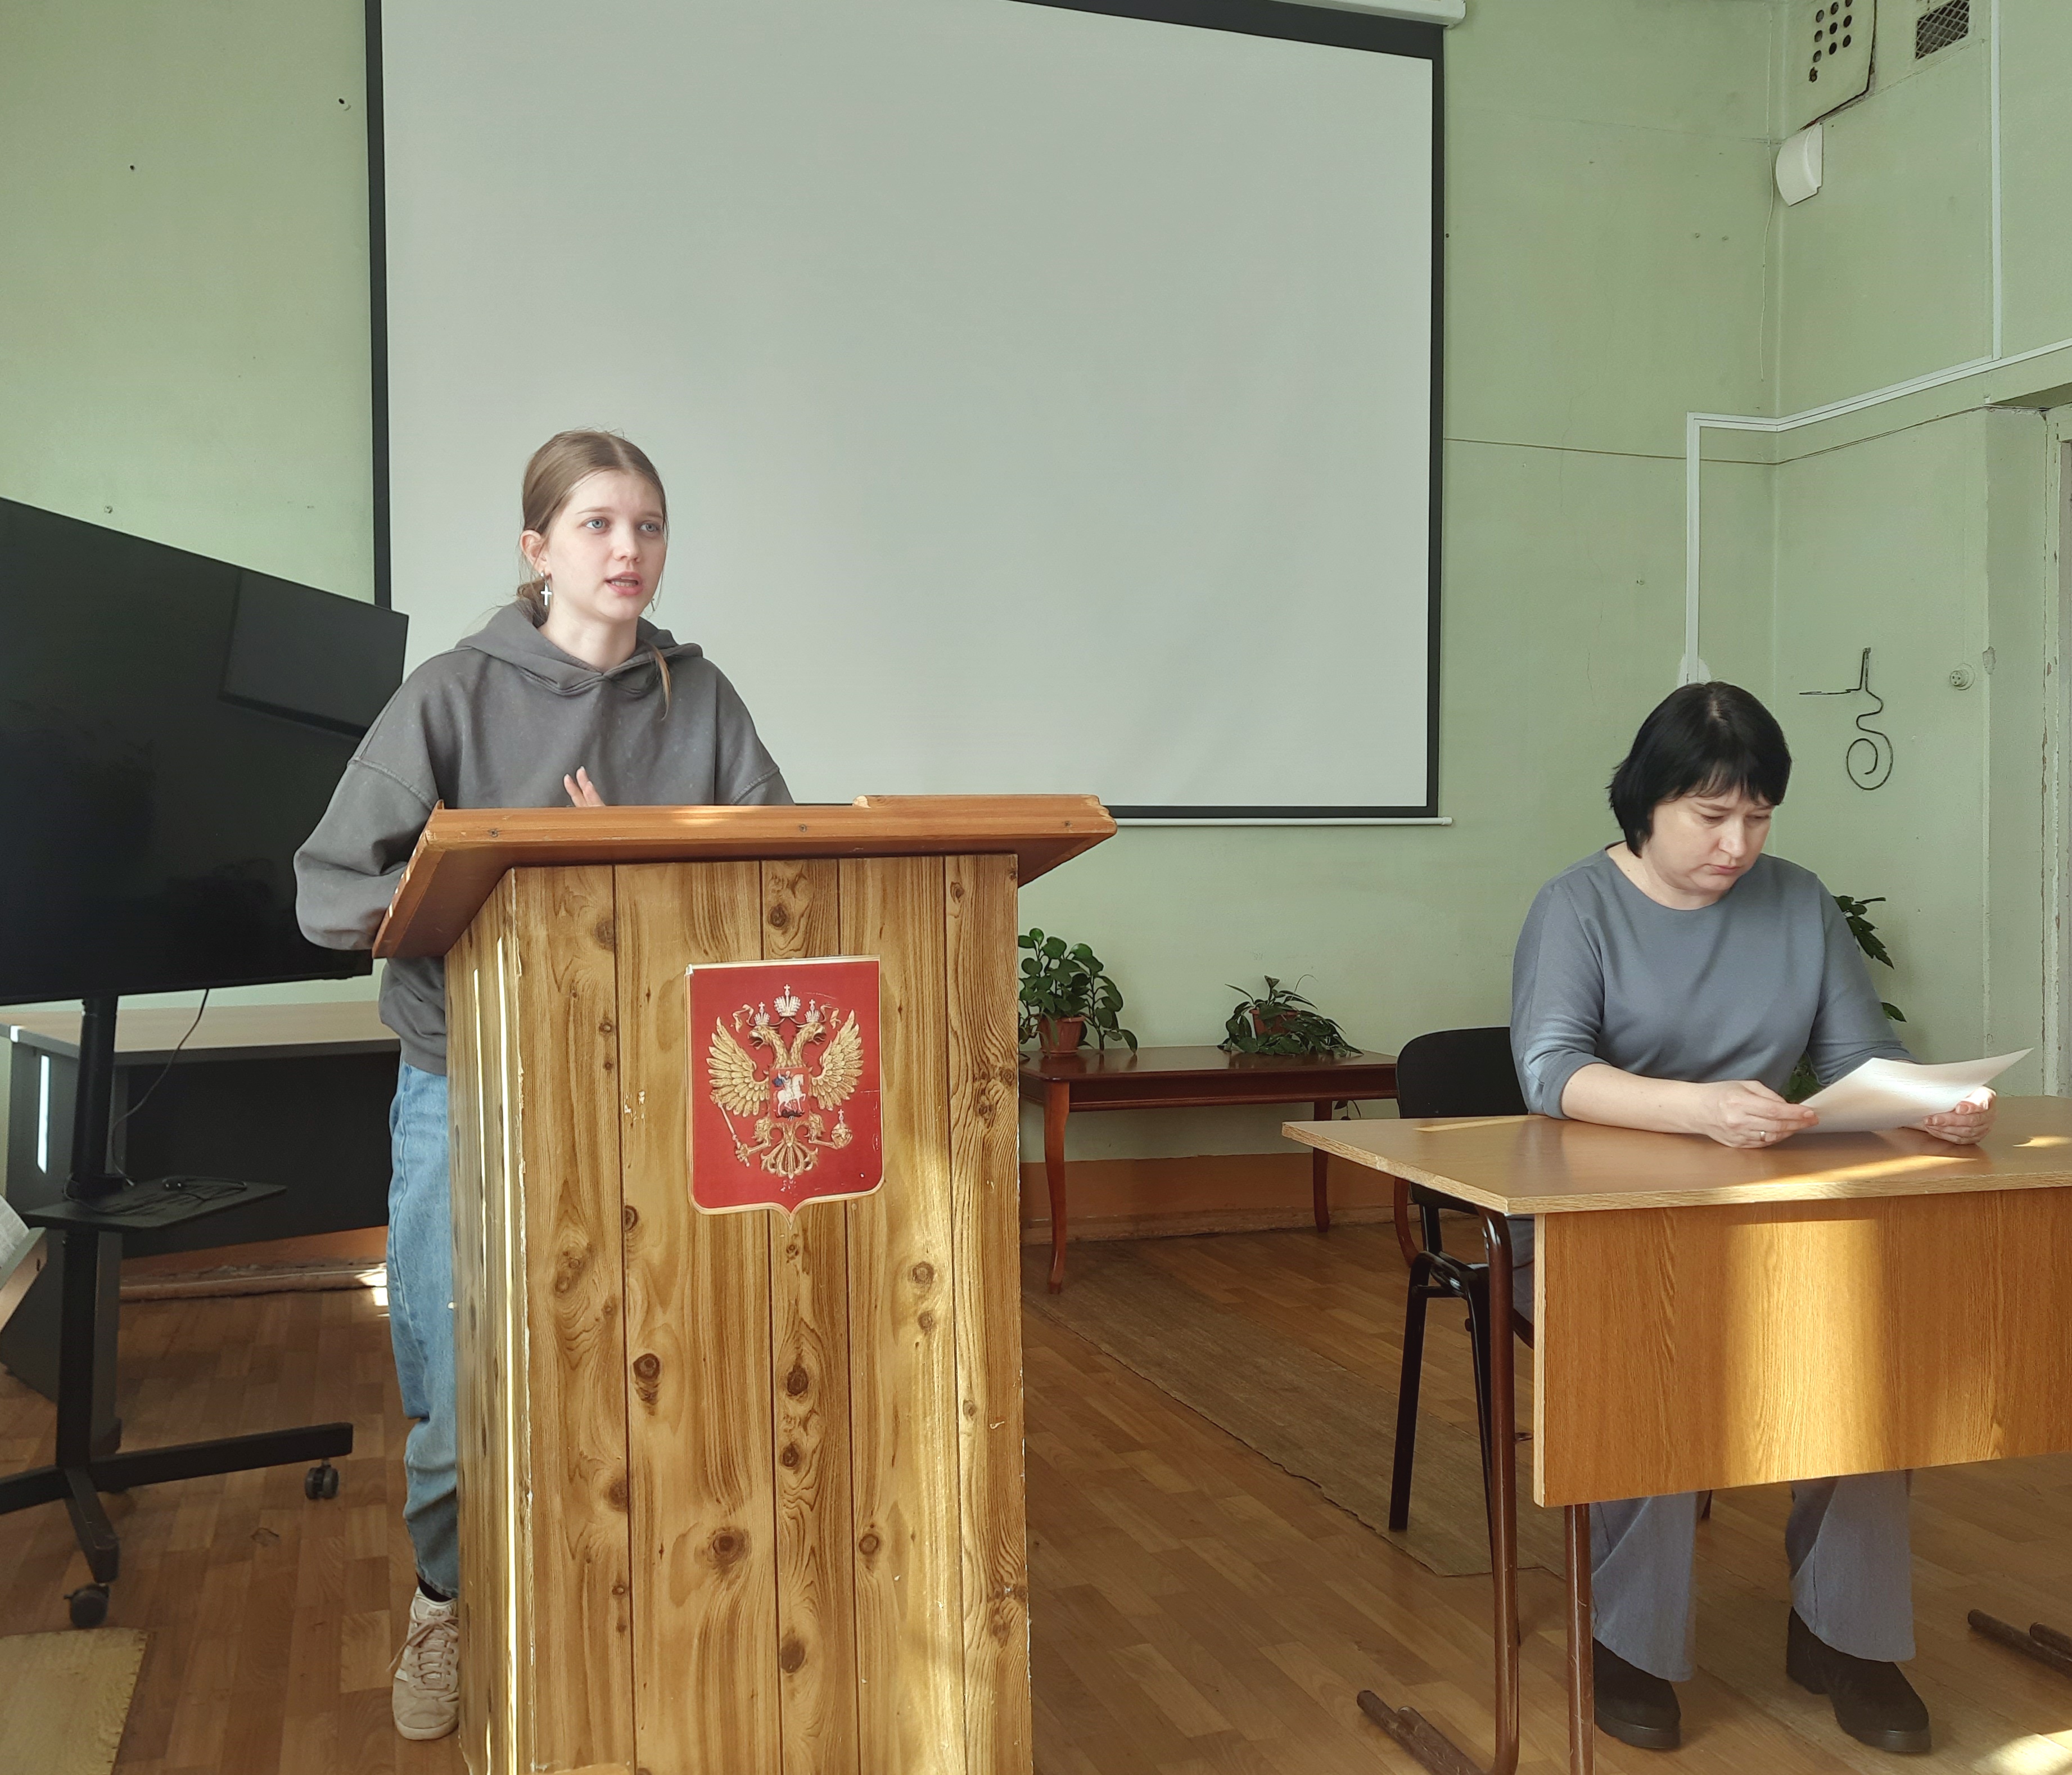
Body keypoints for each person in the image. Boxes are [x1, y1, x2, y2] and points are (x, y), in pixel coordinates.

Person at [294, 430, 789, 1741]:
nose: (628, 549)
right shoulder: (451, 696)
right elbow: (330, 890)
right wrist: (515, 879)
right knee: (462, 1376)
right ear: (537, 549)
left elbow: (779, 877)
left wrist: (641, 859)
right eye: (597, 525)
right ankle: (444, 1600)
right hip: (470, 1082)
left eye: (649, 525)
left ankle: (639, 1598)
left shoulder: (703, 700)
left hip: (657, 1081)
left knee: (662, 1358)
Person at [1509, 681, 1993, 1759]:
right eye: (1711, 816)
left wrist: (1931, 1107)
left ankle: (1843, 1632)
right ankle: (1628, 1639)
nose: (1737, 844)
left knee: (1872, 1355)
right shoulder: (1576, 906)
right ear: (1647, 802)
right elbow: (1551, 1069)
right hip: (1600, 1227)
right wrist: (1697, 1108)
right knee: (1658, 1354)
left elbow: (1862, 1058)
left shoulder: (1799, 901)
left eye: (1758, 817)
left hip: (1767, 1218)